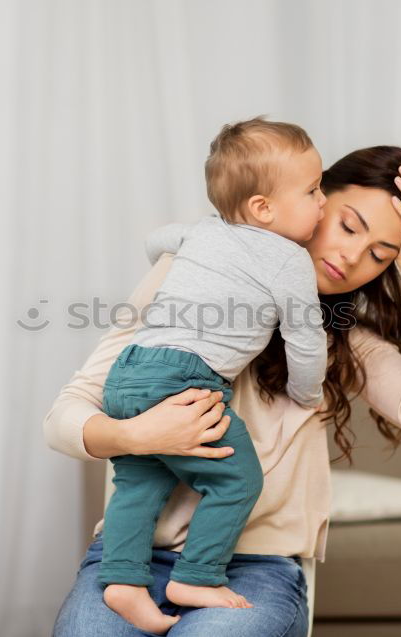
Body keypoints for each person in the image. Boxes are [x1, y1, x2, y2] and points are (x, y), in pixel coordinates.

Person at [46, 144, 401, 637]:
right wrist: (135, 437)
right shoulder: (192, 278)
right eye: (348, 226)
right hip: (131, 555)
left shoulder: (343, 343)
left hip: (257, 567)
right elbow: (63, 416)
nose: (353, 256)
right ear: (311, 202)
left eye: (382, 255)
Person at [96, 117, 329, 635]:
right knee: (238, 480)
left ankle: (123, 581)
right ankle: (196, 576)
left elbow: (157, 241)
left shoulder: (204, 230)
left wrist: (182, 265)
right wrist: (305, 391)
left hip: (129, 371)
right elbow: (305, 340)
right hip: (185, 379)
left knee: (139, 481)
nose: (324, 202)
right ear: (263, 208)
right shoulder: (289, 258)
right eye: (313, 190)